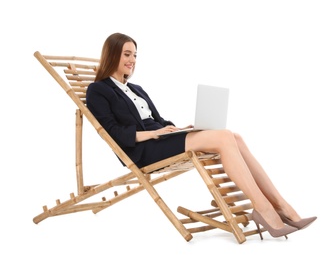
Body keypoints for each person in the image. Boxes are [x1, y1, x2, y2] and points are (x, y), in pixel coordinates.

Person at [86, 32, 316, 239]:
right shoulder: (98, 90)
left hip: (161, 138)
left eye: (135, 55)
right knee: (224, 136)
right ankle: (264, 209)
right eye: (127, 54)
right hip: (142, 150)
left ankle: (281, 205)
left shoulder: (137, 89)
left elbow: (158, 120)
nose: (133, 60)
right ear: (112, 54)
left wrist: (178, 128)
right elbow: (114, 134)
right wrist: (154, 133)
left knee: (235, 137)